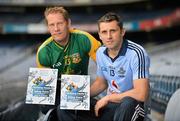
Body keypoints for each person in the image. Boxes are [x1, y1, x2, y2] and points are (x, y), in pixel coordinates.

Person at [36, 6, 101, 119]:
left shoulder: (84, 39)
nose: (56, 28)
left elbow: (106, 66)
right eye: (52, 25)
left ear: (68, 23)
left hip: (80, 88)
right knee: (52, 111)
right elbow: (44, 96)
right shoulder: (43, 52)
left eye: (60, 23)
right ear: (48, 27)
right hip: (57, 92)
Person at [90, 12, 150, 121]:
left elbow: (141, 94)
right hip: (111, 105)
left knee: (128, 102)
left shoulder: (136, 53)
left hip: (134, 106)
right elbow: (101, 83)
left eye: (113, 31)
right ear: (99, 35)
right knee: (70, 108)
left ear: (122, 32)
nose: (108, 36)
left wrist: (108, 98)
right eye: (104, 32)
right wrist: (80, 96)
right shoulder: (100, 52)